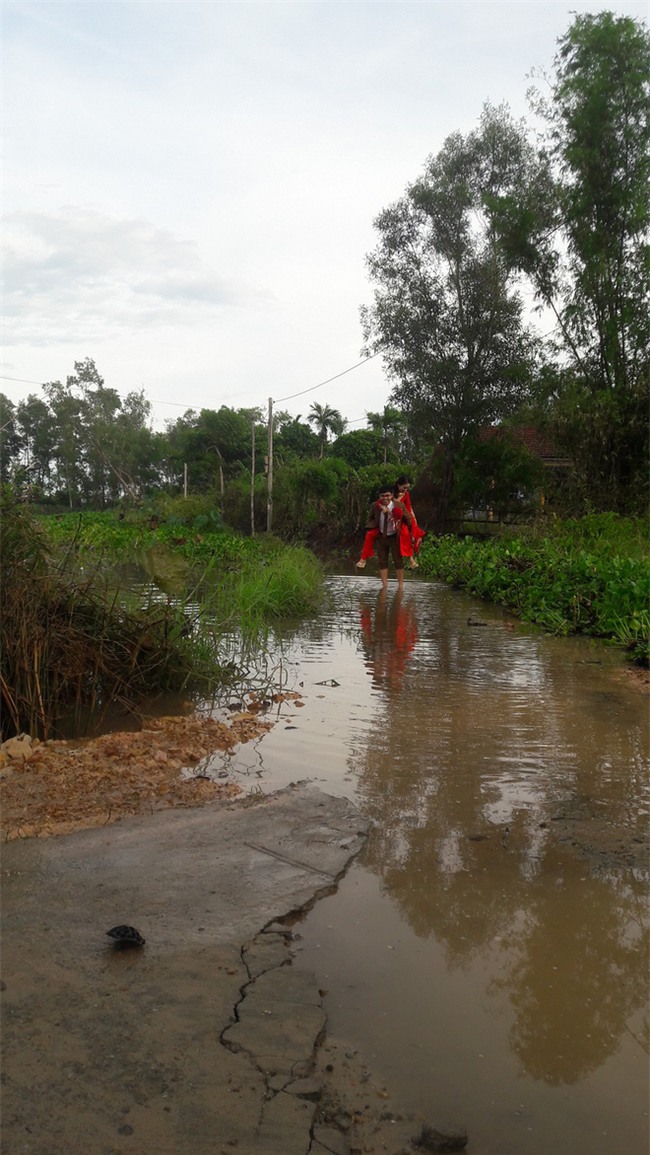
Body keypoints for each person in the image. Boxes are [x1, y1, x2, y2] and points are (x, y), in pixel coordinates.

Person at [362, 484, 412, 591]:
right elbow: (370, 518)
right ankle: (384, 586)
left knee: (398, 561)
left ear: (392, 495)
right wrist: (371, 527)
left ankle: (400, 587)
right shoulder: (375, 506)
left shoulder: (398, 505)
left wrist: (406, 531)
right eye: (382, 496)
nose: (385, 498)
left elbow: (409, 520)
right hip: (382, 536)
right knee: (382, 561)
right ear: (380, 496)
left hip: (395, 537)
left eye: (387, 495)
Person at [393, 475, 426, 569]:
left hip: (406, 515)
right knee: (405, 534)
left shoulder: (406, 494)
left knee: (414, 532)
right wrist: (399, 499)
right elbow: (394, 506)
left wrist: (413, 517)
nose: (405, 490)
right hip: (397, 516)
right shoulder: (391, 493)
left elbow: (409, 506)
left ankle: (413, 556)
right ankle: (410, 559)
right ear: (398, 485)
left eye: (407, 488)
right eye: (404, 487)